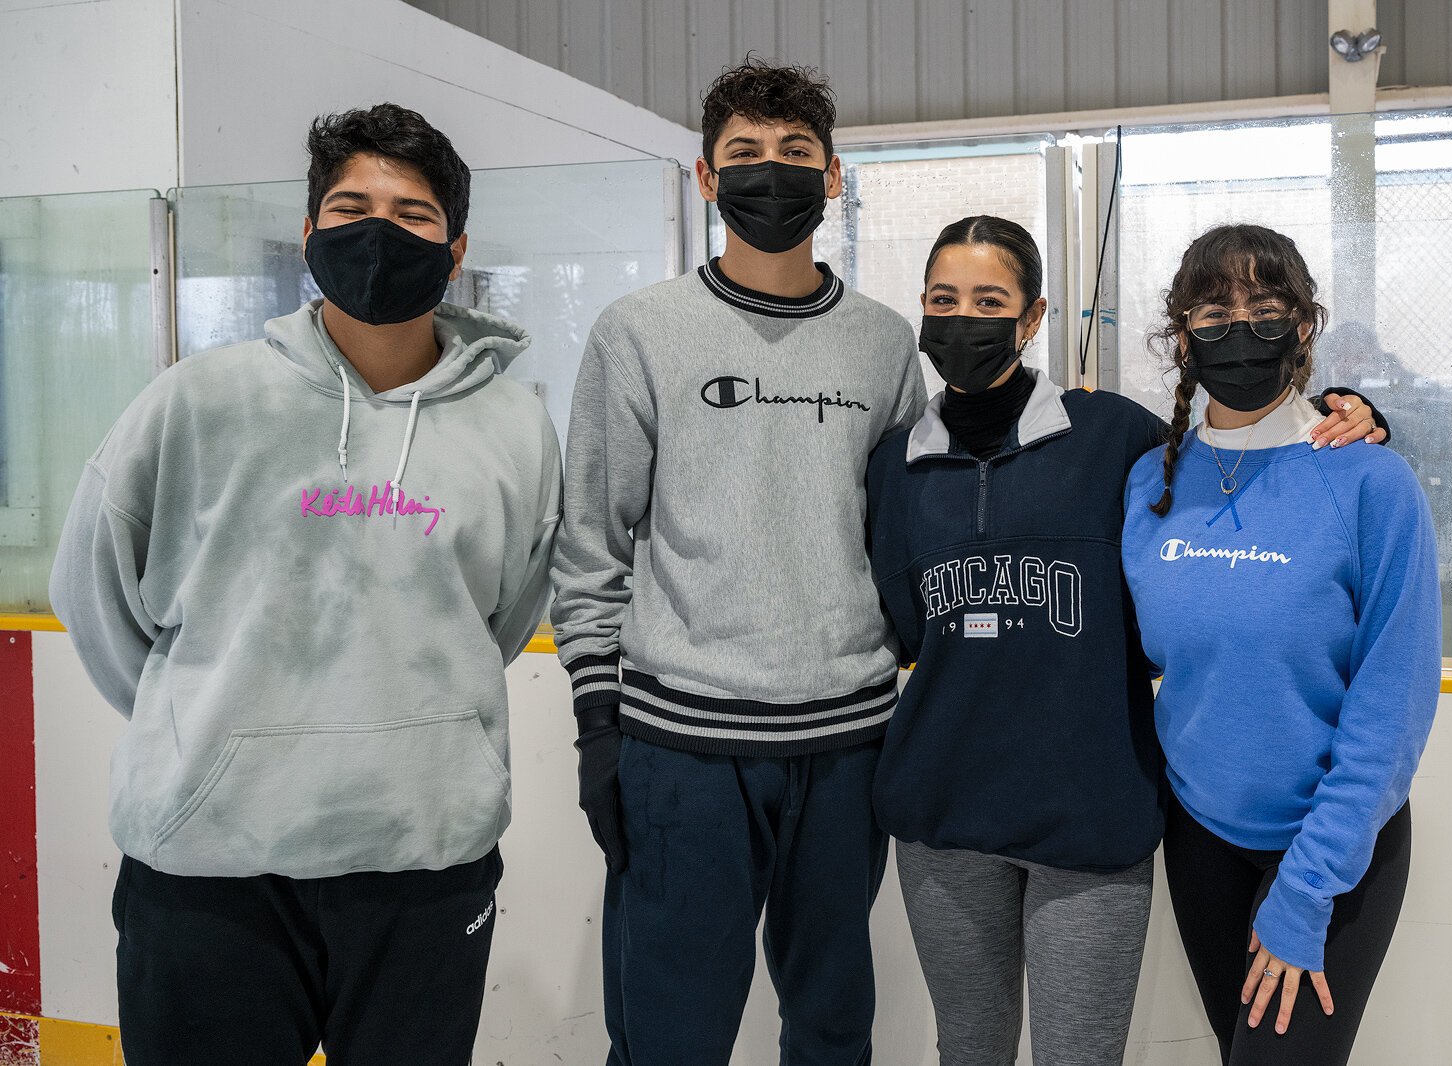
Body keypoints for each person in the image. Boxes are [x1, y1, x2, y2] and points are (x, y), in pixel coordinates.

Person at [49, 103, 562, 1065]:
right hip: (210, 871)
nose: (376, 231)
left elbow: (499, 616)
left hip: (424, 861)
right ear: (308, 234)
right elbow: (99, 599)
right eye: (348, 205)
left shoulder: (514, 427)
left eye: (411, 215)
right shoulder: (197, 401)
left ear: (455, 251)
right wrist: (216, 730)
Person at [866, 215, 1387, 1066]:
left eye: (989, 300)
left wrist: (1354, 414)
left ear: (1032, 317)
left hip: (1090, 817)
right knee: (967, 1046)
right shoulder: (895, 466)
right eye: (943, 300)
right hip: (941, 817)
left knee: (1080, 1054)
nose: (963, 319)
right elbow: (904, 626)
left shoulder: (1118, 441)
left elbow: (1239, 453)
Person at [549, 60, 927, 1065]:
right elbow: (589, 541)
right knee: (669, 1036)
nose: (772, 173)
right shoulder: (641, 332)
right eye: (745, 156)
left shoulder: (885, 346)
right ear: (706, 179)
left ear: (833, 175)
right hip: (681, 750)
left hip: (848, 743)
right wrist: (597, 719)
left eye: (795, 153)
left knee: (834, 1026)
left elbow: (916, 523)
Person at [1122, 223, 1441, 1065]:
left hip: (1330, 853)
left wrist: (1305, 892)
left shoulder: (1371, 480)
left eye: (1266, 309)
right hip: (1200, 839)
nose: (1240, 329)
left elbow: (1392, 706)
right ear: (1181, 334)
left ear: (1304, 327)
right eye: (1213, 311)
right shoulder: (1150, 482)